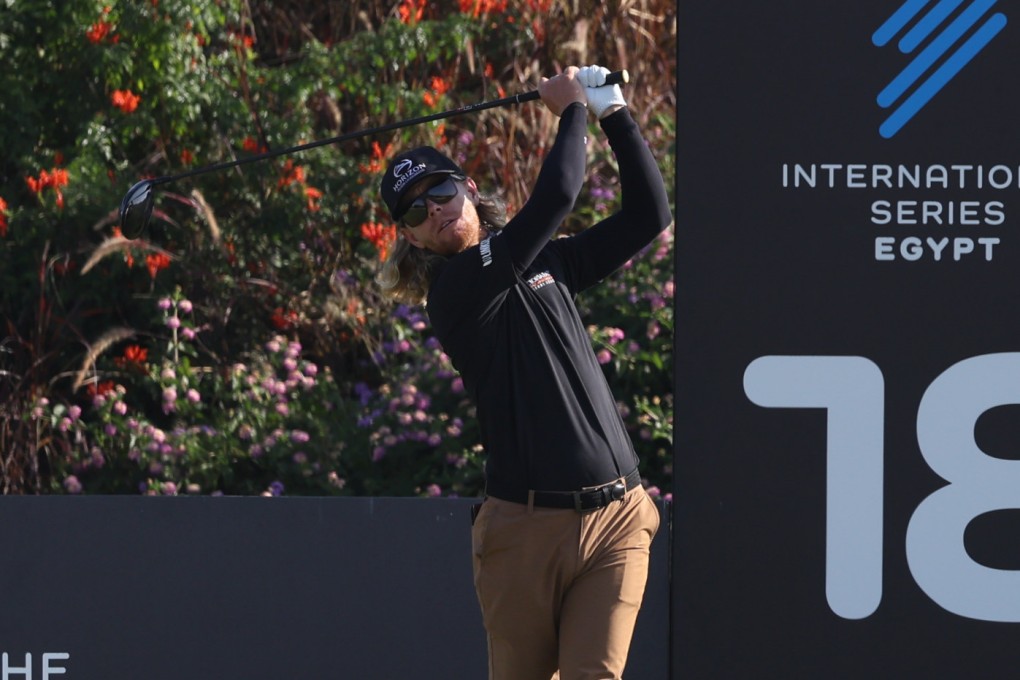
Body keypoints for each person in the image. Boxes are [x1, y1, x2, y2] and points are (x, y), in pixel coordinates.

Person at [377, 65, 672, 680]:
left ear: (468, 187)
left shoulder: (548, 263)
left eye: (440, 192)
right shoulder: (454, 294)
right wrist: (572, 109)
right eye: (416, 213)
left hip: (618, 517)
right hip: (524, 531)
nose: (434, 211)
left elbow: (650, 214)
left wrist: (614, 113)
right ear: (414, 240)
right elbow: (559, 195)